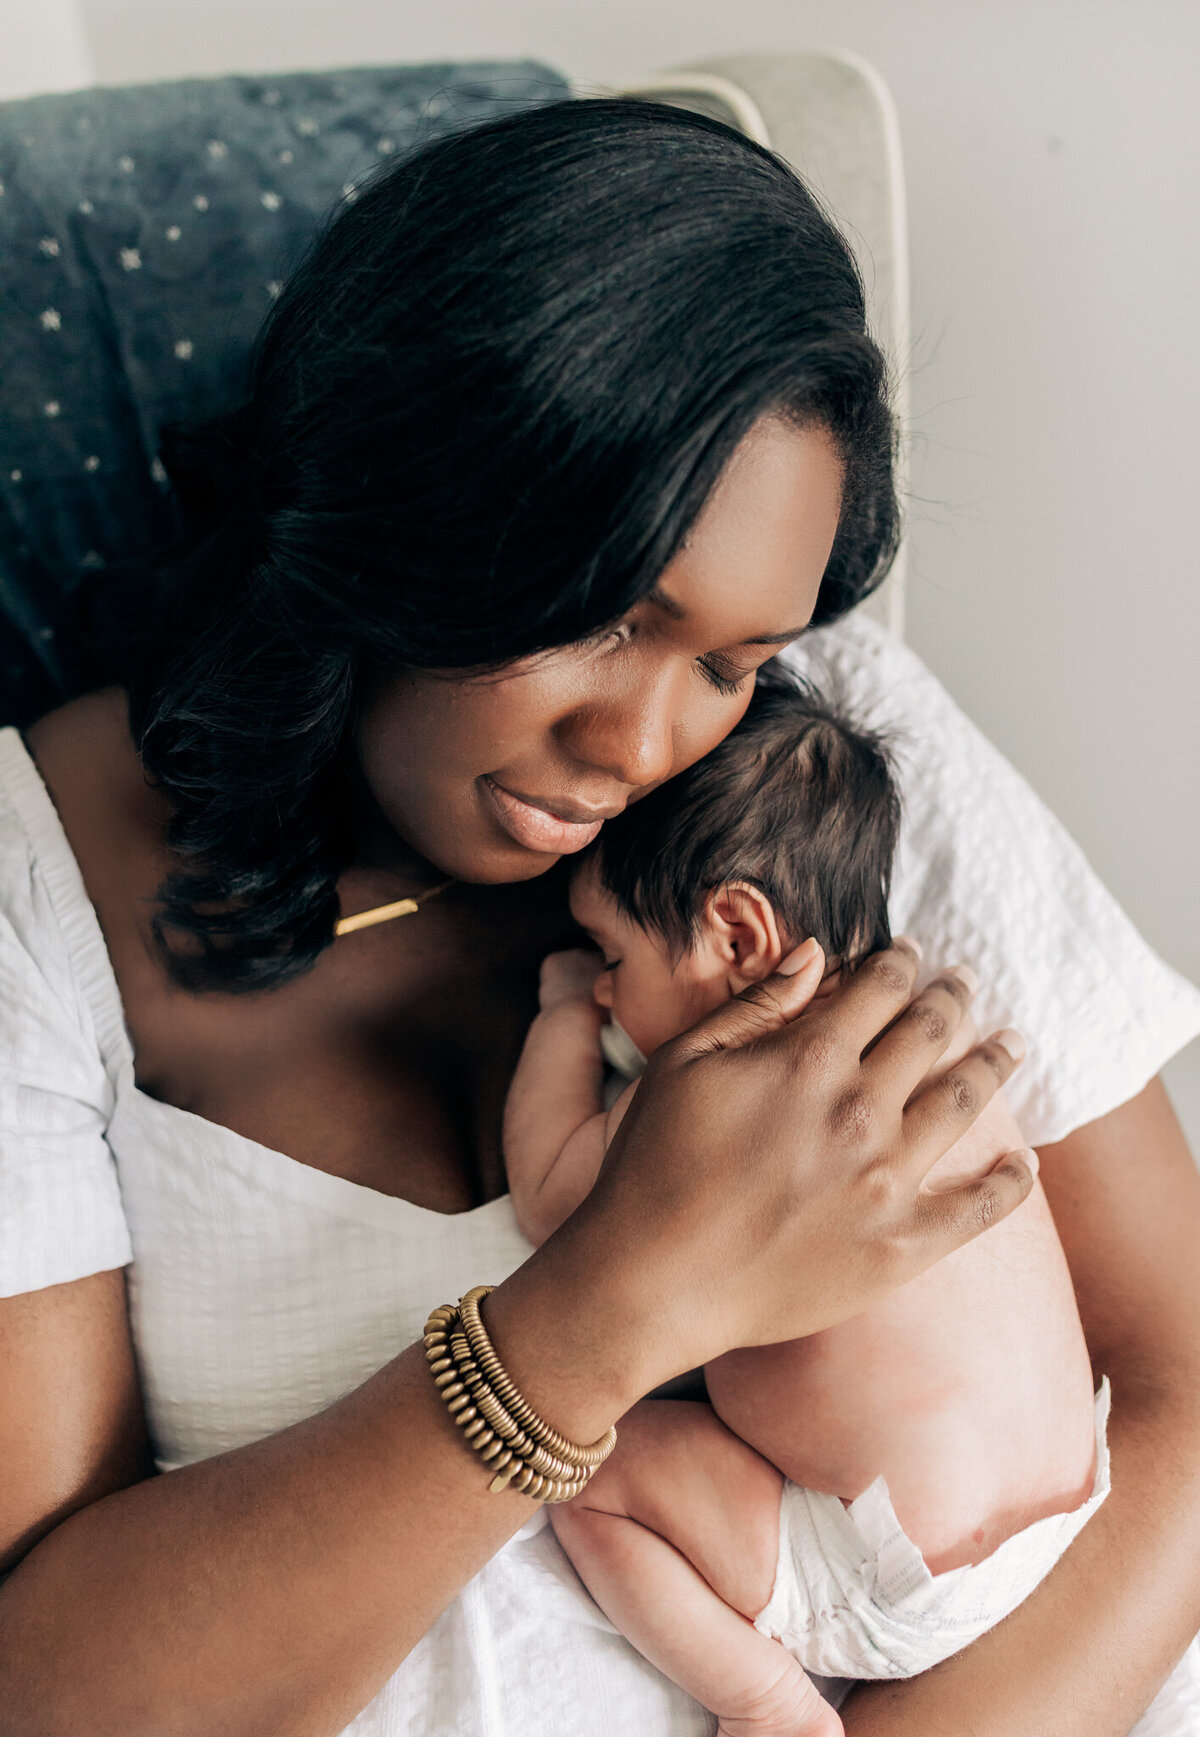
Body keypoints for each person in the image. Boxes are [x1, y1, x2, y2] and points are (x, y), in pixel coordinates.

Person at [0, 98, 1198, 1737]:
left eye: (722, 659)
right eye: (604, 614)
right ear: (400, 506)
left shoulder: (826, 754)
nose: (642, 749)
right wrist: (611, 1304)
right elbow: (47, 1690)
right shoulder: (33, 877)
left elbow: (1187, 1391)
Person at [504, 676, 1105, 1734]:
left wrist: (558, 1015)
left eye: (612, 955)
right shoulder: (931, 1037)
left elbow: (551, 1196)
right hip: (1064, 1507)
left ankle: (768, 1704)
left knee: (590, 1475)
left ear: (736, 937)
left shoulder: (727, 1094)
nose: (603, 990)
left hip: (887, 1567)